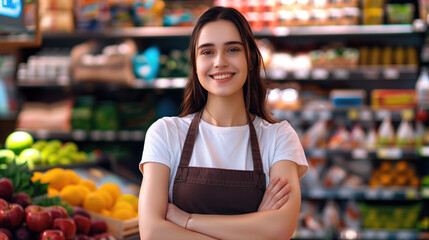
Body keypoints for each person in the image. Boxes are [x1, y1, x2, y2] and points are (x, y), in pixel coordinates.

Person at [138, 6, 308, 240]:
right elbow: (152, 232)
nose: (219, 62)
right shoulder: (165, 133)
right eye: (207, 52)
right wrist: (255, 227)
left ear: (250, 58)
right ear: (195, 64)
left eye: (232, 49)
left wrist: (187, 221)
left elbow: (280, 229)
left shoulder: (279, 137)